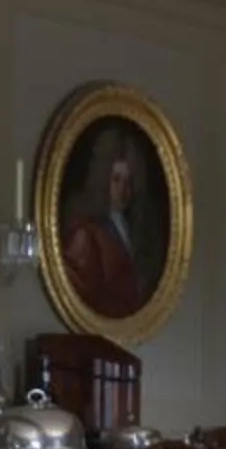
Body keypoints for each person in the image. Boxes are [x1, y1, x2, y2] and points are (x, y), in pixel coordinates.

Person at [58, 126, 159, 321]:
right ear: (104, 180)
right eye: (117, 180)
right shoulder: (87, 233)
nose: (124, 189)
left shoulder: (134, 229)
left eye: (129, 182)